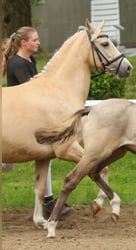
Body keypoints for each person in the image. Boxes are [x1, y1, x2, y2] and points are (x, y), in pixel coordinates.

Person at [2, 26, 72, 220]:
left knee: (45, 155)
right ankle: (48, 203)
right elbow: (32, 91)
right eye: (35, 40)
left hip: (26, 120)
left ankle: (48, 203)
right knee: (7, 165)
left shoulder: (30, 60)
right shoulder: (17, 64)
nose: (38, 43)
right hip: (16, 122)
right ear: (24, 43)